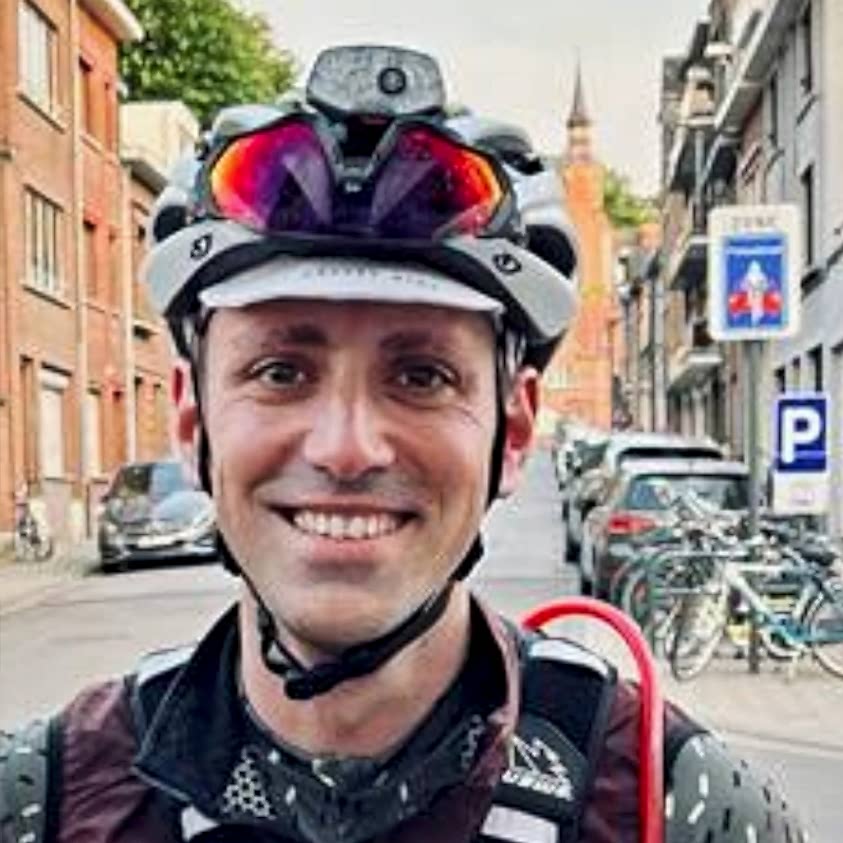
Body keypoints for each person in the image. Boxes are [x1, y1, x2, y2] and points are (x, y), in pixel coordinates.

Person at [0, 45, 805, 843]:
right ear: (190, 416)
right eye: (280, 370)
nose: (348, 449)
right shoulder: (48, 798)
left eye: (421, 376)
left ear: (515, 427)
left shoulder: (671, 806)